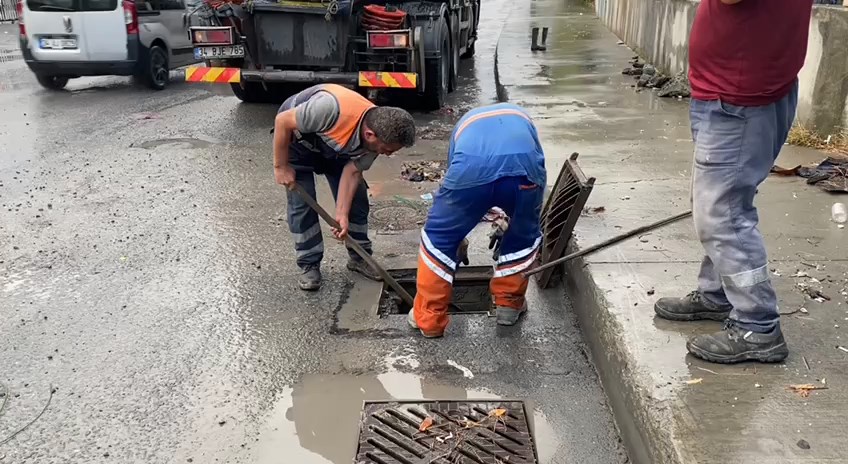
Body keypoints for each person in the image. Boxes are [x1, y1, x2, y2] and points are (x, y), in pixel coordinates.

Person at [654, 0, 813, 364]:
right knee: (721, 205)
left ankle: (757, 325)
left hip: (738, 97)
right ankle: (717, 293)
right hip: (746, 86)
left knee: (722, 215)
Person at [408, 103, 546, 338]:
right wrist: (513, 220)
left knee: (439, 237)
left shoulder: (464, 125)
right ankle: (508, 308)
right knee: (523, 236)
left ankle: (430, 319)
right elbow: (534, 164)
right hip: (525, 171)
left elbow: (460, 192)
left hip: (471, 169)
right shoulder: (522, 119)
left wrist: (456, 239)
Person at [273, 84, 416, 291]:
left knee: (357, 201)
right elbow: (282, 121)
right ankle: (309, 264)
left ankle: (359, 258)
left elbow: (352, 172)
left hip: (335, 149)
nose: (388, 154)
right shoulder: (329, 109)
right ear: (370, 135)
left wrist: (342, 215)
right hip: (296, 141)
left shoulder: (376, 139)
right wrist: (281, 166)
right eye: (387, 149)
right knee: (302, 206)